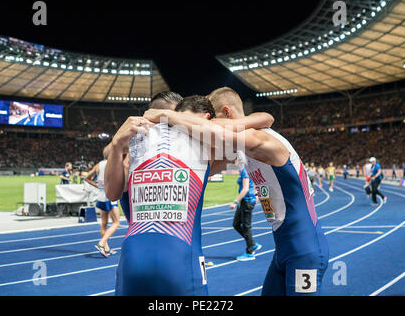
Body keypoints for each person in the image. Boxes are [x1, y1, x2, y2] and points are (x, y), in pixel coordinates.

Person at [145, 87, 329, 296]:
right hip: (284, 249)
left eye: (214, 117)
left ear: (227, 113)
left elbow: (213, 129)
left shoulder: (261, 140)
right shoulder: (242, 146)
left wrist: (167, 115)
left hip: (305, 249)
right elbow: (209, 162)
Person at [106, 95, 274, 296]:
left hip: (131, 259)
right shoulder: (202, 140)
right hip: (181, 258)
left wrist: (117, 143)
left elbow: (111, 192)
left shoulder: (131, 144)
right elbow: (264, 119)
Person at [85, 159, 120, 257]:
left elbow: (86, 178)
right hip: (110, 196)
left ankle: (106, 249)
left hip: (100, 196)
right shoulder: (113, 163)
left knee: (104, 223)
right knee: (116, 223)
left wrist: (98, 186)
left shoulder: (98, 165)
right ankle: (101, 243)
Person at [231, 157, 261, 261]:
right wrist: (257, 194)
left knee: (246, 226)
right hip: (246, 201)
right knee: (236, 224)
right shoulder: (246, 169)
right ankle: (252, 243)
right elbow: (256, 182)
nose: (234, 162)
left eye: (235, 160)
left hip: (247, 201)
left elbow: (245, 189)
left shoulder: (244, 170)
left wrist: (235, 202)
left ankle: (250, 253)